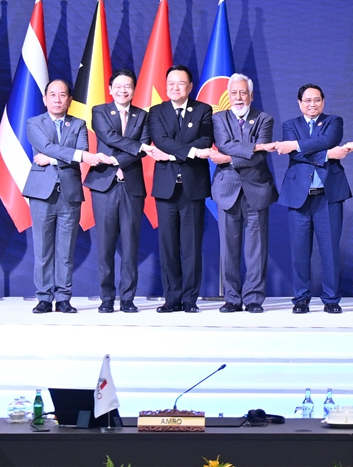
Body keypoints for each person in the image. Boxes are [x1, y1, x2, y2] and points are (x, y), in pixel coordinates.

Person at [23, 79, 104, 313]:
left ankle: (64, 297)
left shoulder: (78, 124)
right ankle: (44, 297)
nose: (57, 100)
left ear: (69, 100)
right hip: (41, 193)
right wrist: (74, 156)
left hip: (69, 193)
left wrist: (53, 159)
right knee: (43, 248)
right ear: (45, 99)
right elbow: (46, 146)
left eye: (62, 95)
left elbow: (79, 153)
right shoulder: (33, 122)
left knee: (66, 249)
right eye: (53, 95)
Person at [277, 83, 351, 314]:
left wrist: (299, 146)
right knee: (300, 251)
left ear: (323, 101)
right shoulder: (290, 125)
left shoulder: (334, 121)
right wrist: (327, 154)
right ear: (299, 103)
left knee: (330, 250)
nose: (312, 104)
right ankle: (301, 298)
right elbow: (295, 154)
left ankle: (331, 299)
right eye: (307, 100)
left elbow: (328, 140)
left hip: (328, 195)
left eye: (317, 100)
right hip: (299, 196)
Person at [147, 65, 214, 313]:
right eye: (171, 84)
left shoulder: (203, 110)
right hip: (165, 189)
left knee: (191, 246)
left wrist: (172, 154)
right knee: (168, 245)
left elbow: (205, 140)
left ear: (190, 86)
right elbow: (160, 140)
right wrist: (192, 152)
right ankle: (172, 298)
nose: (175, 88)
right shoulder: (156, 111)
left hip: (193, 188)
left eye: (180, 83)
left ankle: (190, 300)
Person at [210, 74, 278, 314]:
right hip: (227, 189)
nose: (238, 97)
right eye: (234, 93)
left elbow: (259, 157)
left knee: (256, 249)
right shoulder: (218, 118)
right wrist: (255, 146)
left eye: (243, 93)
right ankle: (231, 298)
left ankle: (253, 299)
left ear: (251, 95)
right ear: (228, 96)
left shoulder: (264, 119)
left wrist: (228, 158)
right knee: (228, 247)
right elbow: (224, 143)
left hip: (256, 189)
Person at [85, 69, 150, 314]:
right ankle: (106, 298)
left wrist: (114, 161)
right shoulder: (99, 111)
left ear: (134, 90)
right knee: (105, 246)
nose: (123, 90)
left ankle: (128, 298)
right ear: (110, 89)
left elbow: (143, 150)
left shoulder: (143, 116)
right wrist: (135, 148)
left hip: (132, 186)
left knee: (131, 245)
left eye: (128, 86)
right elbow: (109, 136)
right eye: (119, 86)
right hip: (103, 185)